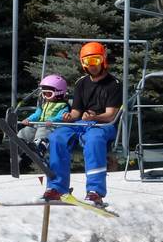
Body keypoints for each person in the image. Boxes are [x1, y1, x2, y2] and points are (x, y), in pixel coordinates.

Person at [41, 42, 122, 207]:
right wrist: (68, 116)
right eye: (87, 62)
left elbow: (110, 115)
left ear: (103, 60)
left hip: (103, 125)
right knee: (57, 137)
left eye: (96, 60)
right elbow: (76, 113)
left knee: (93, 140)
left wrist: (94, 116)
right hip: (81, 123)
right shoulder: (81, 83)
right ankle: (56, 188)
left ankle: (95, 191)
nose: (92, 66)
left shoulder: (114, 84)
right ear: (83, 63)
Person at [17, 74, 69, 156]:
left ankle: (39, 147)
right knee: (27, 130)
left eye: (49, 94)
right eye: (44, 93)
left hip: (51, 126)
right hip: (39, 124)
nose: (45, 96)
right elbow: (37, 114)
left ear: (59, 93)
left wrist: (52, 120)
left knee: (42, 131)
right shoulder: (43, 104)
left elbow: (61, 116)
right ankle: (19, 144)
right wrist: (29, 119)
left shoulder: (63, 105)